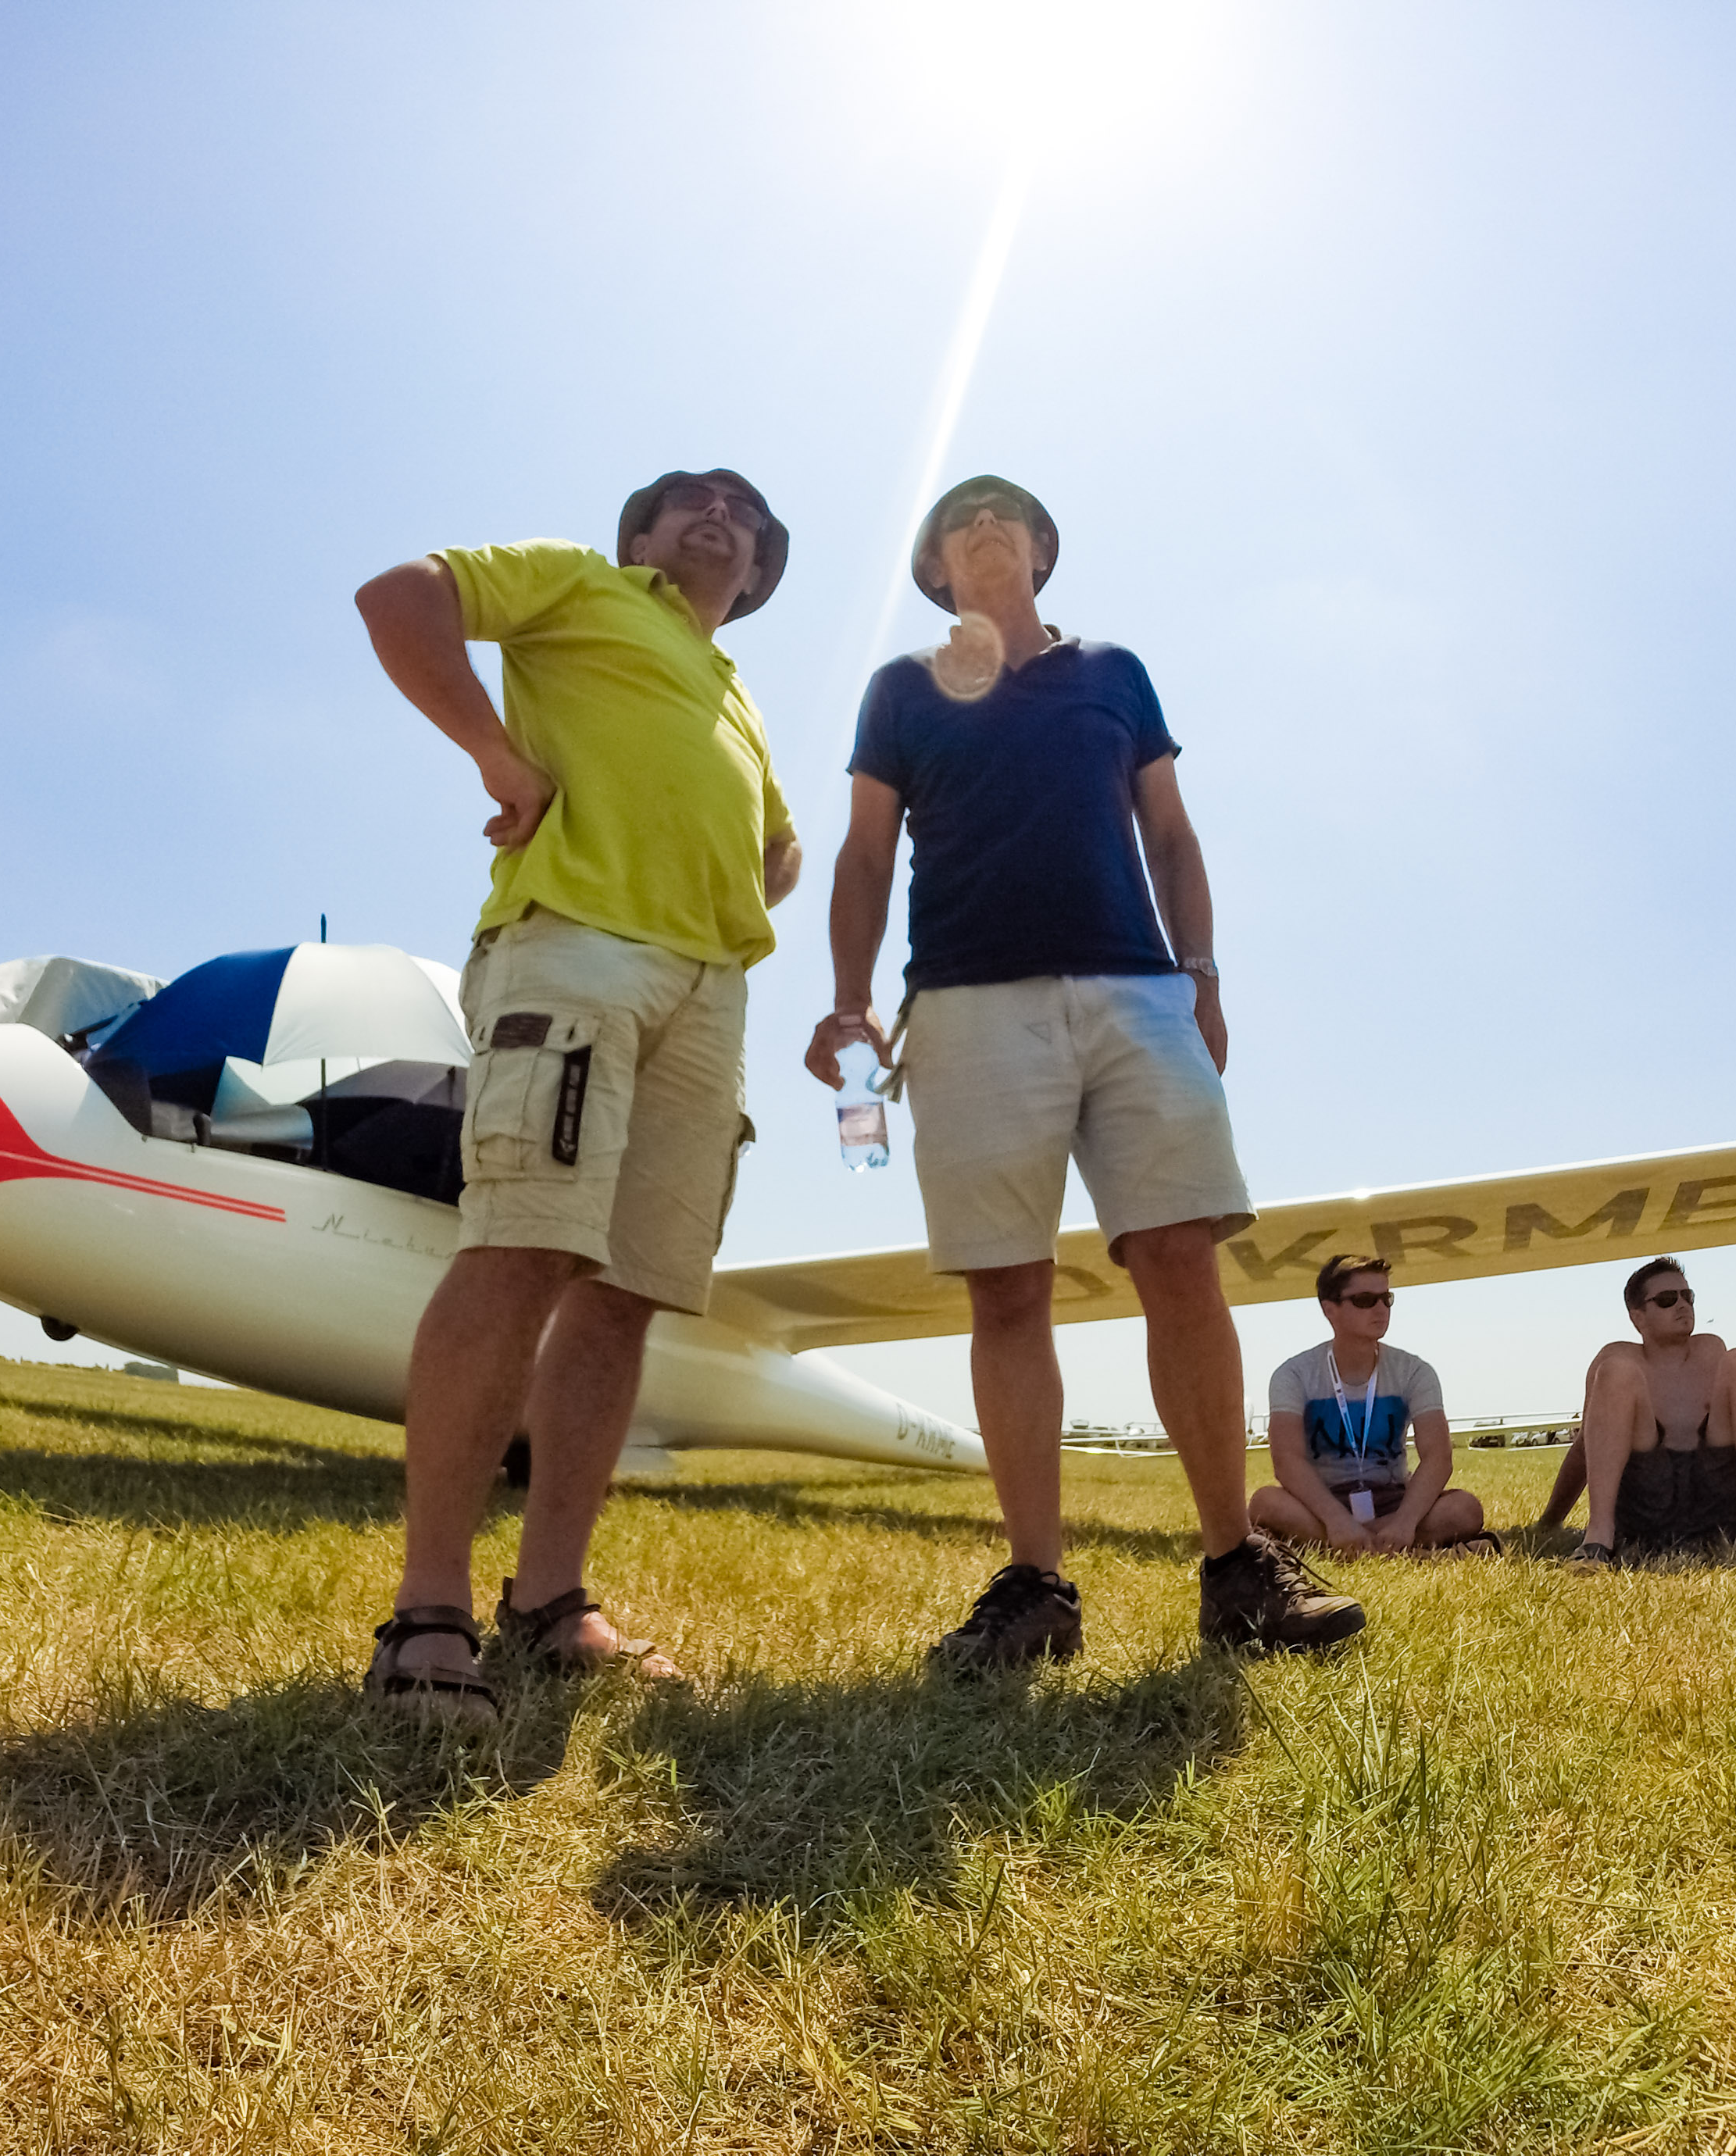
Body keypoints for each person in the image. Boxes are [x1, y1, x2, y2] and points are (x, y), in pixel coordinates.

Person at [805, 474, 1362, 1669]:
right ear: (935, 569)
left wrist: (1202, 975)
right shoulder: (901, 688)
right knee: (1007, 1289)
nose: (982, 524)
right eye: (958, 519)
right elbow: (863, 855)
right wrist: (851, 1001)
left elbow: (1172, 833)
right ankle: (1035, 1585)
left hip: (1138, 996)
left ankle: (1237, 1568)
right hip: (964, 1005)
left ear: (1043, 550)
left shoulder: (1116, 672)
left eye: (1004, 512)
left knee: (1181, 1259)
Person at [350, 469, 802, 1724]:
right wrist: (498, 754)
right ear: (641, 536)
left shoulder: (736, 691)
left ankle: (550, 1602)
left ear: (758, 575)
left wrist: (749, 868)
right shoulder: (582, 584)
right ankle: (428, 1612)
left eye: (744, 514)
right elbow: (398, 597)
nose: (718, 514)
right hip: (575, 947)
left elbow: (780, 845)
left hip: (709, 995)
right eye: (689, 500)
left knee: (626, 1295)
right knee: (524, 1244)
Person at [1536, 1257, 1736, 1566]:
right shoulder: (1618, 1359)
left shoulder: (1712, 1351)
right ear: (1638, 1318)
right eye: (1667, 1299)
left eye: (1687, 1296)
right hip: (1647, 1504)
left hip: (1718, 1499)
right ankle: (1598, 1538)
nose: (1682, 1305)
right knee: (1616, 1371)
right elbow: (1588, 1447)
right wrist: (1550, 1520)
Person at [1250, 1255, 1495, 1556]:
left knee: (1465, 1508)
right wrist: (1336, 1519)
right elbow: (1287, 1460)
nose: (1381, 1309)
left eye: (1386, 1299)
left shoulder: (1414, 1371)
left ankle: (1344, 1548)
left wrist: (1405, 1522)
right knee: (1264, 1503)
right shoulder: (1294, 1374)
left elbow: (1438, 1457)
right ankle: (1406, 1552)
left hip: (1394, 1499)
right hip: (1321, 1502)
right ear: (1330, 1310)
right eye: (1365, 1300)